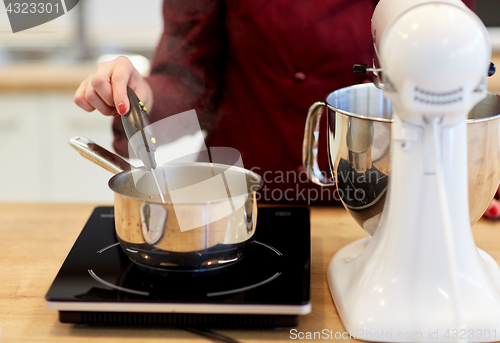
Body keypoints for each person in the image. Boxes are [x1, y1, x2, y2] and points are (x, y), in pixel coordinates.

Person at [74, 0, 498, 213]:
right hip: (244, 198)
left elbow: (453, 66)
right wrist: (138, 93)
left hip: (382, 200)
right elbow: (189, 81)